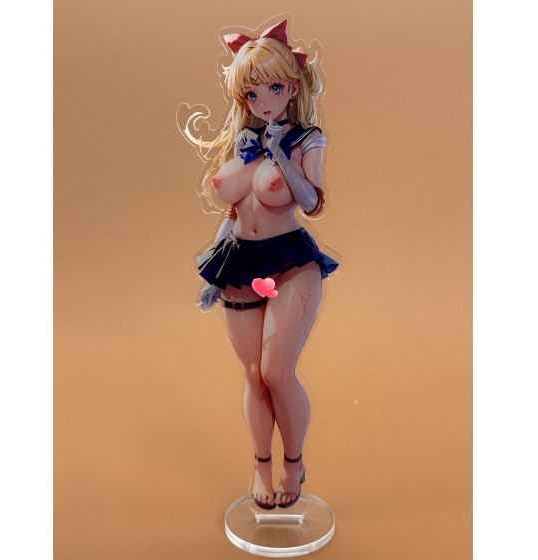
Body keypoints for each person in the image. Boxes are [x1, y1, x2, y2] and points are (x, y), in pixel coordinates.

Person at [181, 19, 338, 509]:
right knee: (253, 375)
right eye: (251, 93)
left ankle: (294, 464)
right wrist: (213, 271)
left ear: (291, 86)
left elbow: (312, 202)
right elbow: (235, 212)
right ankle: (261, 467)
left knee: (276, 371)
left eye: (272, 88)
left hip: (290, 261)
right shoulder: (242, 139)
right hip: (239, 262)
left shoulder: (306, 139)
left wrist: (279, 156)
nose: (263, 101)